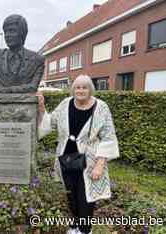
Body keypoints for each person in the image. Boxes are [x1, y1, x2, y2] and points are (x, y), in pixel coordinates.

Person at [37, 75, 119, 234]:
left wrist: (100, 165)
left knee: (86, 198)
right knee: (70, 194)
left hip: (89, 161)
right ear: (73, 89)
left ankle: (84, 230)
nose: (80, 90)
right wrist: (41, 108)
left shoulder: (101, 107)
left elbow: (108, 137)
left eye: (84, 87)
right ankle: (74, 226)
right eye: (77, 87)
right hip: (66, 157)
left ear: (90, 89)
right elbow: (51, 123)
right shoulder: (65, 104)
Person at [0, 14, 44, 93]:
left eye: (12, 31)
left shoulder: (37, 60)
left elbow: (33, 87)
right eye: (5, 32)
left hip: (24, 103)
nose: (7, 35)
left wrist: (3, 90)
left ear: (22, 33)